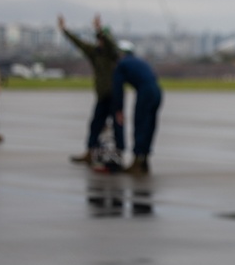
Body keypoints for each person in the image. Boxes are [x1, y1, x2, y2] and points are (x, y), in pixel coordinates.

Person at [58, 14, 124, 164]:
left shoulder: (112, 53)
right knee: (95, 124)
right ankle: (90, 151)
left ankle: (120, 153)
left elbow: (110, 45)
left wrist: (99, 29)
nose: (100, 41)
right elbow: (79, 43)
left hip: (114, 94)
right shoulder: (95, 53)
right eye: (99, 39)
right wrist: (64, 30)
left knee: (117, 125)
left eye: (102, 38)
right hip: (102, 96)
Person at [109, 39, 163, 175]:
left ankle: (137, 162)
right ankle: (144, 160)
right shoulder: (139, 61)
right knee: (150, 125)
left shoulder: (121, 64)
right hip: (157, 90)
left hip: (145, 91)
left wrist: (119, 109)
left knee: (140, 124)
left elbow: (118, 89)